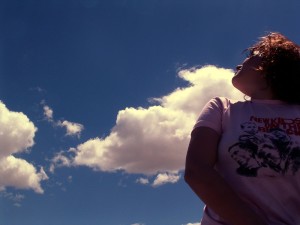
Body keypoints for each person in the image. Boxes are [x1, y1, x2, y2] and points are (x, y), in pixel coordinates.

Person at [184, 32, 300, 225]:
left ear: (270, 64)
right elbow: (197, 170)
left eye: (252, 55)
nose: (240, 63)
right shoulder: (221, 108)